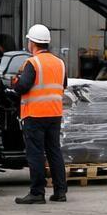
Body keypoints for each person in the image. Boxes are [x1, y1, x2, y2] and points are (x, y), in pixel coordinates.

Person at [11, 24, 66, 205]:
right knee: (54, 152)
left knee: (35, 154)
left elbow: (23, 86)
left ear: (32, 43)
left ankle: (37, 193)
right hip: (55, 114)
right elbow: (62, 85)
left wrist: (15, 83)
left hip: (35, 115)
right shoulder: (60, 63)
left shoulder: (33, 63)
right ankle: (60, 192)